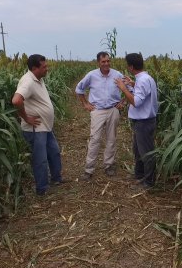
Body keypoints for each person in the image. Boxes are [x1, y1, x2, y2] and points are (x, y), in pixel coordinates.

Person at [11, 54, 64, 196]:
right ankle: (42, 189)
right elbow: (16, 101)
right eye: (44, 66)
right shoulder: (28, 82)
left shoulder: (38, 79)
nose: (47, 68)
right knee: (40, 160)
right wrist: (26, 118)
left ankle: (56, 179)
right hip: (36, 129)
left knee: (54, 152)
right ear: (34, 68)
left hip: (45, 127)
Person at [76, 52, 126, 180]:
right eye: (103, 61)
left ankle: (108, 165)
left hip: (113, 110)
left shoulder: (117, 74)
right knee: (95, 139)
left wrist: (122, 102)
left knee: (111, 138)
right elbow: (79, 89)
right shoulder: (92, 75)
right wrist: (85, 104)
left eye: (108, 61)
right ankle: (89, 169)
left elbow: (129, 89)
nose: (106, 64)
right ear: (98, 62)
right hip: (97, 111)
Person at [115, 53, 158, 188]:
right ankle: (139, 175)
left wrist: (123, 88)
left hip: (144, 123)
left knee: (146, 153)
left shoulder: (143, 80)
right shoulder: (145, 78)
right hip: (143, 122)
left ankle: (149, 182)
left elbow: (136, 102)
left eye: (128, 65)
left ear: (131, 66)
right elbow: (143, 94)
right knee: (138, 150)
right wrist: (133, 84)